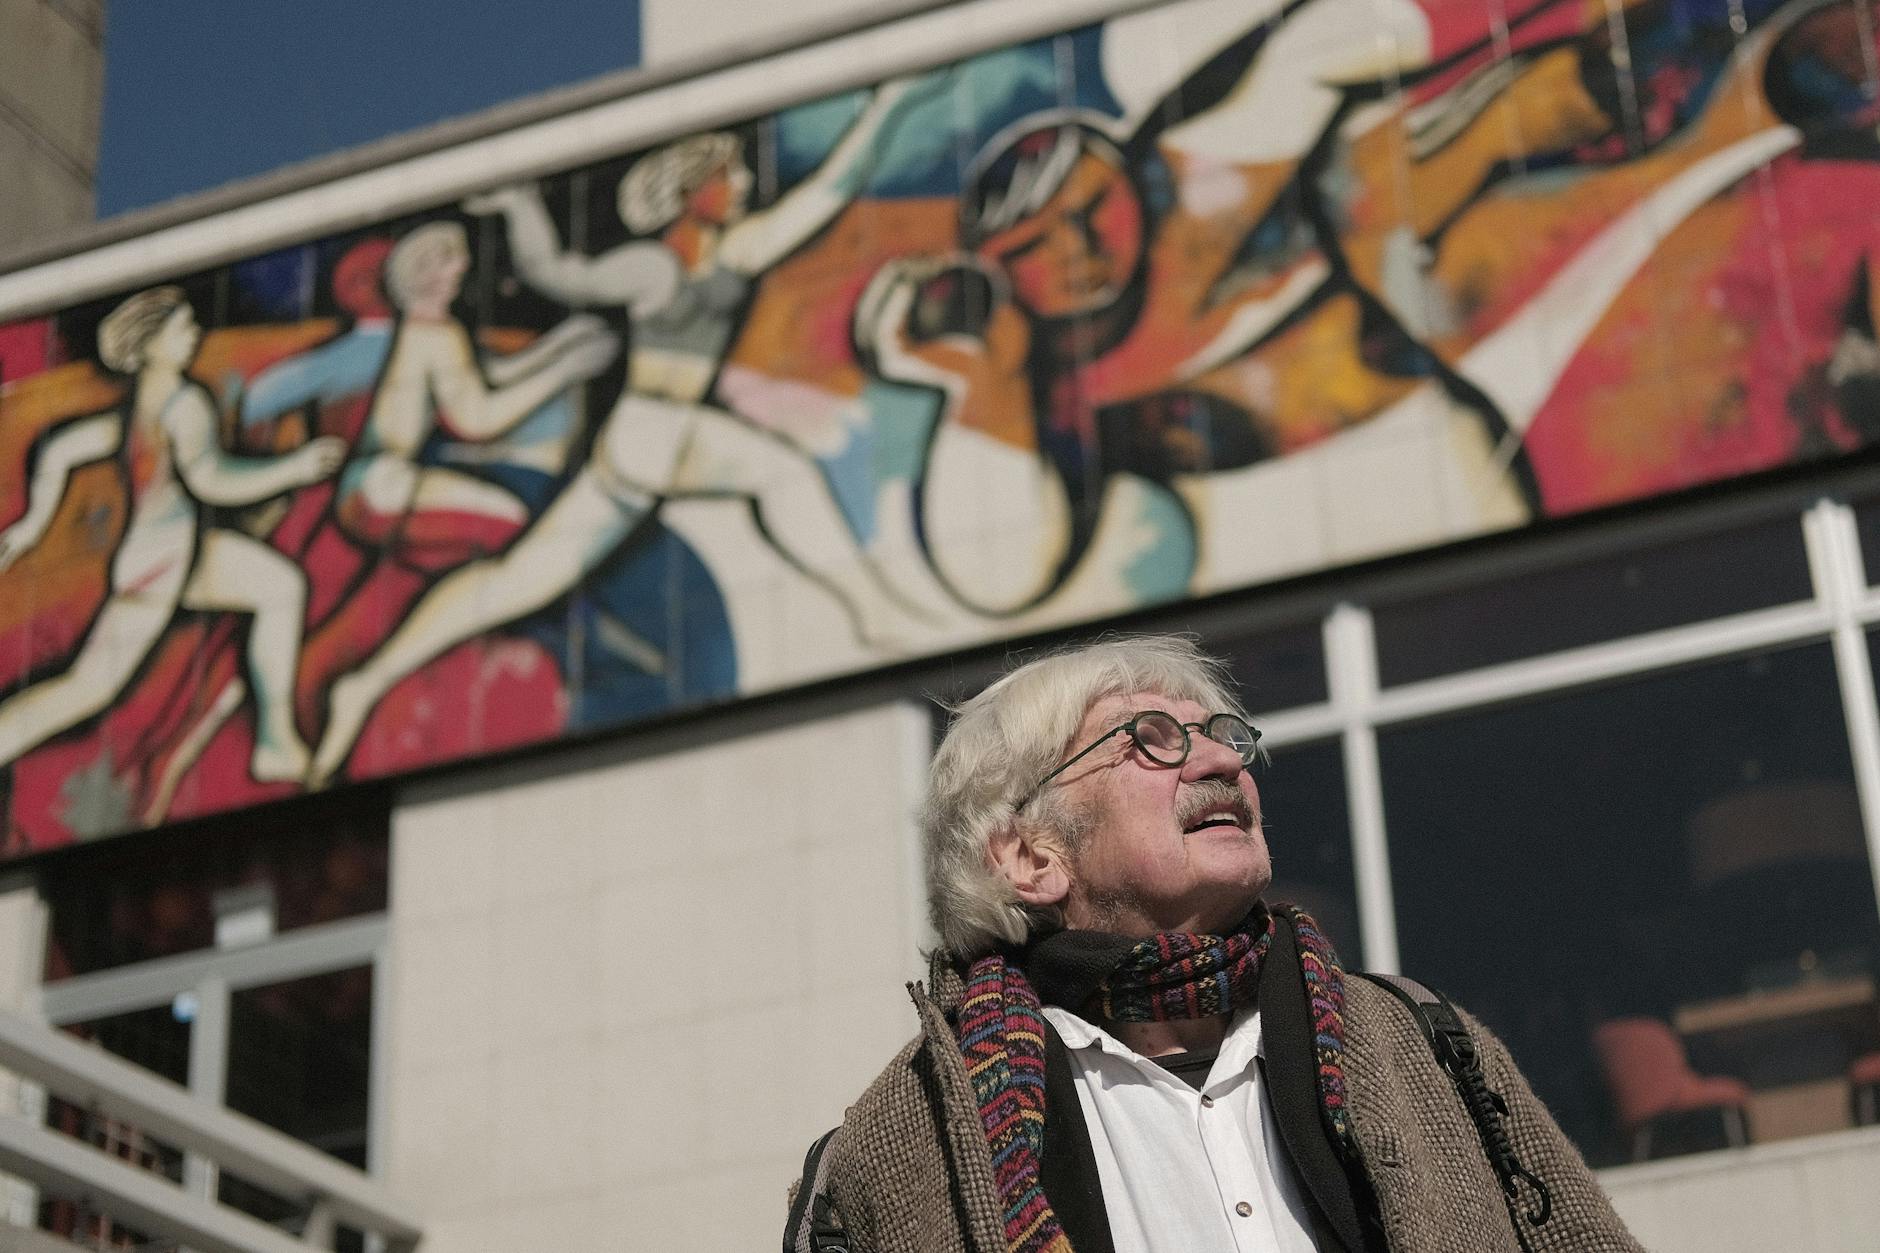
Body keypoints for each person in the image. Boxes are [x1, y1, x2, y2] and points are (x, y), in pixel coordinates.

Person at [799, 635, 1642, 1252]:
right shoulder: (889, 1151)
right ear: (1030, 857)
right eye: (1150, 739)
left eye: (1223, 734)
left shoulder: (1423, 1043)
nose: (1219, 760)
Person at [304, 81, 930, 784]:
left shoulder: (736, 250)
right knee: (781, 473)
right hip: (656, 431)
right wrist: (518, 206)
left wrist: (884, 110)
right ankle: (875, 610)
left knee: (519, 580)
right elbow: (556, 273)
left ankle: (364, 680)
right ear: (695, 191)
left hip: (649, 443)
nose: (747, 183)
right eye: (732, 174)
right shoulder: (652, 265)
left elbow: (826, 192)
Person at [0, 287, 344, 782]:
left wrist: (35, 521)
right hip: (158, 566)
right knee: (87, 689)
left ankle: (276, 744)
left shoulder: (145, 401)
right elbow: (212, 480)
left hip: (183, 555)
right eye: (182, 329)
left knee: (281, 587)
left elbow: (64, 450)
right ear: (151, 344)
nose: (195, 336)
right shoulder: (184, 404)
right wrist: (295, 468)